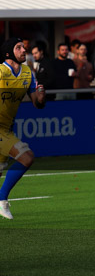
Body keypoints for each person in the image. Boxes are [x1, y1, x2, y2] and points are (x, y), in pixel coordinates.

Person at [0, 38, 47, 219]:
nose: (23, 50)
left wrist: (41, 96)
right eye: (18, 48)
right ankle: (2, 198)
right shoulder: (1, 71)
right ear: (8, 53)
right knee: (26, 157)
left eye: (23, 48)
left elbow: (38, 104)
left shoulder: (28, 72)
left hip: (7, 128)